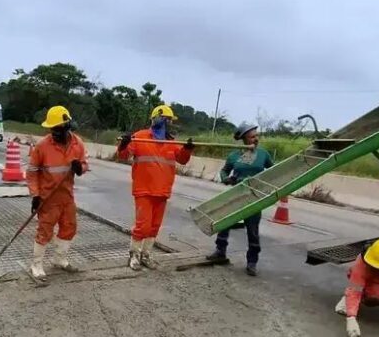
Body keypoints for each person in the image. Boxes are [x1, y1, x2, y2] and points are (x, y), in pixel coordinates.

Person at [117, 105, 194, 270]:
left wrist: (187, 149)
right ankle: (134, 255)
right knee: (142, 226)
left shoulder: (171, 142)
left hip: (162, 191)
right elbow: (123, 156)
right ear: (159, 119)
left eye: (170, 121)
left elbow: (182, 159)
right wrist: (124, 144)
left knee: (154, 227)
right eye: (168, 120)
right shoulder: (140, 137)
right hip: (144, 190)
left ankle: (146, 255)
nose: (170, 123)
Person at [25, 105, 88, 282]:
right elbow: (32, 172)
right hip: (48, 197)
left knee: (69, 227)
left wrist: (79, 168)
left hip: (66, 196)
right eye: (52, 129)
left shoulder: (77, 144)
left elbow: (84, 165)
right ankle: (36, 264)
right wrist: (35, 195)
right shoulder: (42, 145)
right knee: (45, 231)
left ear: (67, 126)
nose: (54, 132)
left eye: (58, 128)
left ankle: (59, 259)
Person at [205, 123, 274, 276]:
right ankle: (220, 251)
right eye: (252, 136)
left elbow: (273, 170)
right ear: (244, 139)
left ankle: (252, 261)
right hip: (236, 194)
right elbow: (224, 170)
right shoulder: (234, 156)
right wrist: (226, 179)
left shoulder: (263, 154)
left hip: (254, 197)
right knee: (225, 223)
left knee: (252, 229)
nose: (255, 139)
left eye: (257, 136)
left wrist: (269, 186)